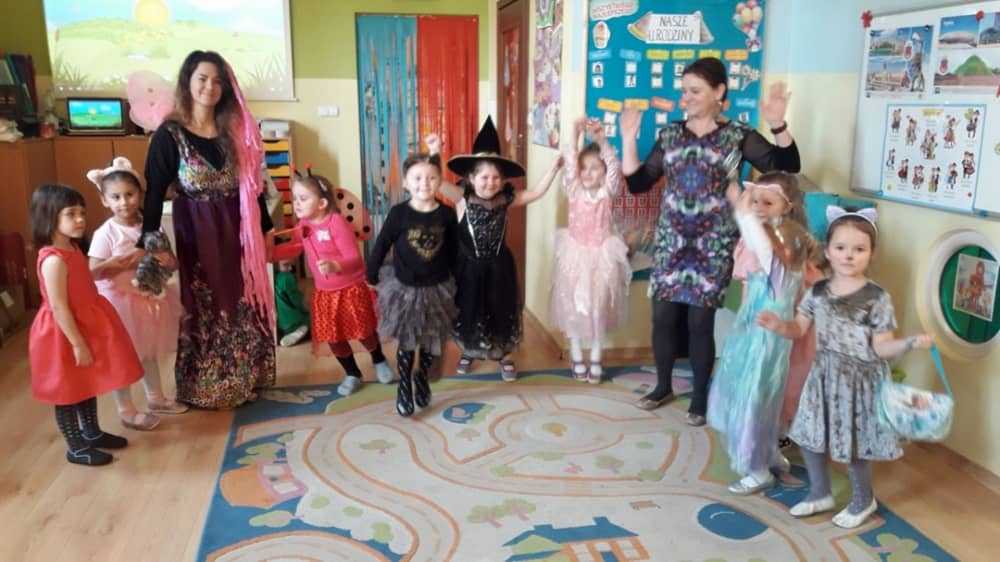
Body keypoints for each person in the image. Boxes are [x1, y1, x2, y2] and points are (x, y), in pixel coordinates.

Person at [620, 57, 801, 426]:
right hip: (672, 241)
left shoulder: (739, 136)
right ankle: (663, 386)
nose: (685, 97)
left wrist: (778, 124)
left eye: (695, 91)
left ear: (719, 92)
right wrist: (627, 139)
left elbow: (787, 165)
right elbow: (638, 183)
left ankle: (700, 396)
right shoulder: (670, 135)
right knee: (662, 318)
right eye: (684, 90)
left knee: (700, 323)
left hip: (713, 244)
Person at [758, 206, 933, 528]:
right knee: (809, 436)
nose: (849, 255)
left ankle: (863, 500)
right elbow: (799, 329)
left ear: (871, 254)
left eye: (859, 249)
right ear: (828, 251)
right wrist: (778, 325)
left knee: (852, 446)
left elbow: (881, 346)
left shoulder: (877, 297)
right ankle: (820, 493)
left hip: (860, 381)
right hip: (823, 375)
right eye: (841, 247)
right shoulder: (818, 291)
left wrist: (909, 343)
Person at [141, 50, 276, 409]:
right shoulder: (169, 134)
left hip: (239, 231)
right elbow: (154, 192)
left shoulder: (234, 131)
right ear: (188, 81)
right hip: (197, 233)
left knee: (242, 300)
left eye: (217, 81)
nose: (209, 87)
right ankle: (207, 386)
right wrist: (152, 243)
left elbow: (253, 188)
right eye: (202, 78)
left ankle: (247, 376)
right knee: (206, 305)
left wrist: (266, 231)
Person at [706, 174, 815, 495]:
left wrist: (741, 208)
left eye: (768, 202)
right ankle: (767, 453)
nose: (759, 208)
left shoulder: (782, 251)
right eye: (756, 202)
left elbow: (761, 244)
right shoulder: (781, 245)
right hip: (759, 335)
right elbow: (758, 243)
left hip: (764, 341)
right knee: (765, 397)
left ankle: (757, 469)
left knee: (752, 399)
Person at [28, 184, 144, 466]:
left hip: (82, 322)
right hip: (63, 332)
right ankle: (75, 447)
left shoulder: (73, 248)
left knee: (85, 383)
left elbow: (82, 280)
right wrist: (77, 343)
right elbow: (58, 306)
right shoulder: (53, 260)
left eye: (82, 212)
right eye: (71, 214)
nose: (80, 219)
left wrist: (109, 266)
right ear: (49, 216)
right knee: (68, 390)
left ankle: (91, 432)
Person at [440, 117, 560, 381]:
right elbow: (437, 181)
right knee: (469, 309)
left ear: (503, 180)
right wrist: (435, 151)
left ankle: (504, 355)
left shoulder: (506, 199)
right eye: (484, 177)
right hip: (468, 268)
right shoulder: (461, 197)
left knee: (500, 310)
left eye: (496, 177)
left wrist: (553, 170)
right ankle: (469, 351)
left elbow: (536, 193)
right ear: (471, 178)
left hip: (498, 268)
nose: (490, 182)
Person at [271, 166, 394, 396]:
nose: (296, 203)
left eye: (303, 198)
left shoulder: (336, 223)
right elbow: (295, 247)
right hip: (325, 294)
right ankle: (352, 373)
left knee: (364, 331)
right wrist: (270, 254)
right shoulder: (303, 225)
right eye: (295, 198)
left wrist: (335, 266)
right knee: (333, 337)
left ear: (322, 203)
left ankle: (378, 359)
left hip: (350, 289)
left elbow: (354, 258)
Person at [87, 157, 187, 431]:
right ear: (104, 200)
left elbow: (171, 262)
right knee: (122, 356)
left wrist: (168, 261)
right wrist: (116, 263)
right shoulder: (106, 232)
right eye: (116, 197)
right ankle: (126, 409)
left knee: (148, 352)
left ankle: (156, 398)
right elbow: (92, 271)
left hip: (149, 300)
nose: (124, 202)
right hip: (119, 305)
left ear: (140, 195)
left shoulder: (149, 226)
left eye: (129, 194)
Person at [366, 153, 458, 416]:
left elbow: (455, 251)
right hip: (405, 290)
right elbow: (381, 244)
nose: (424, 183)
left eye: (431, 177)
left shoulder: (446, 214)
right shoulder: (399, 214)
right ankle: (404, 384)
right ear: (406, 183)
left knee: (430, 342)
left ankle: (422, 376)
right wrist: (371, 274)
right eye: (417, 178)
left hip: (438, 289)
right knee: (407, 343)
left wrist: (460, 281)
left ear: (439, 181)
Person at [551, 116, 631, 384]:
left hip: (602, 258)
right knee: (571, 306)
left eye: (594, 168)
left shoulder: (608, 192)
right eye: (583, 168)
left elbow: (614, 166)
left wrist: (601, 140)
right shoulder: (574, 190)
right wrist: (574, 132)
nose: (587, 173)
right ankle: (576, 354)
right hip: (575, 256)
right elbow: (569, 163)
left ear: (603, 172)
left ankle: (596, 356)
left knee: (598, 309)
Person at [274, 258, 310, 347]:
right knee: (309, 319)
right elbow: (296, 300)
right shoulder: (287, 277)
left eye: (291, 265)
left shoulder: (274, 276)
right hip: (294, 321)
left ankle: (292, 334)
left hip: (281, 324)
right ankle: (299, 332)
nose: (290, 268)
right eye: (286, 265)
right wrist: (305, 309)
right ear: (275, 265)